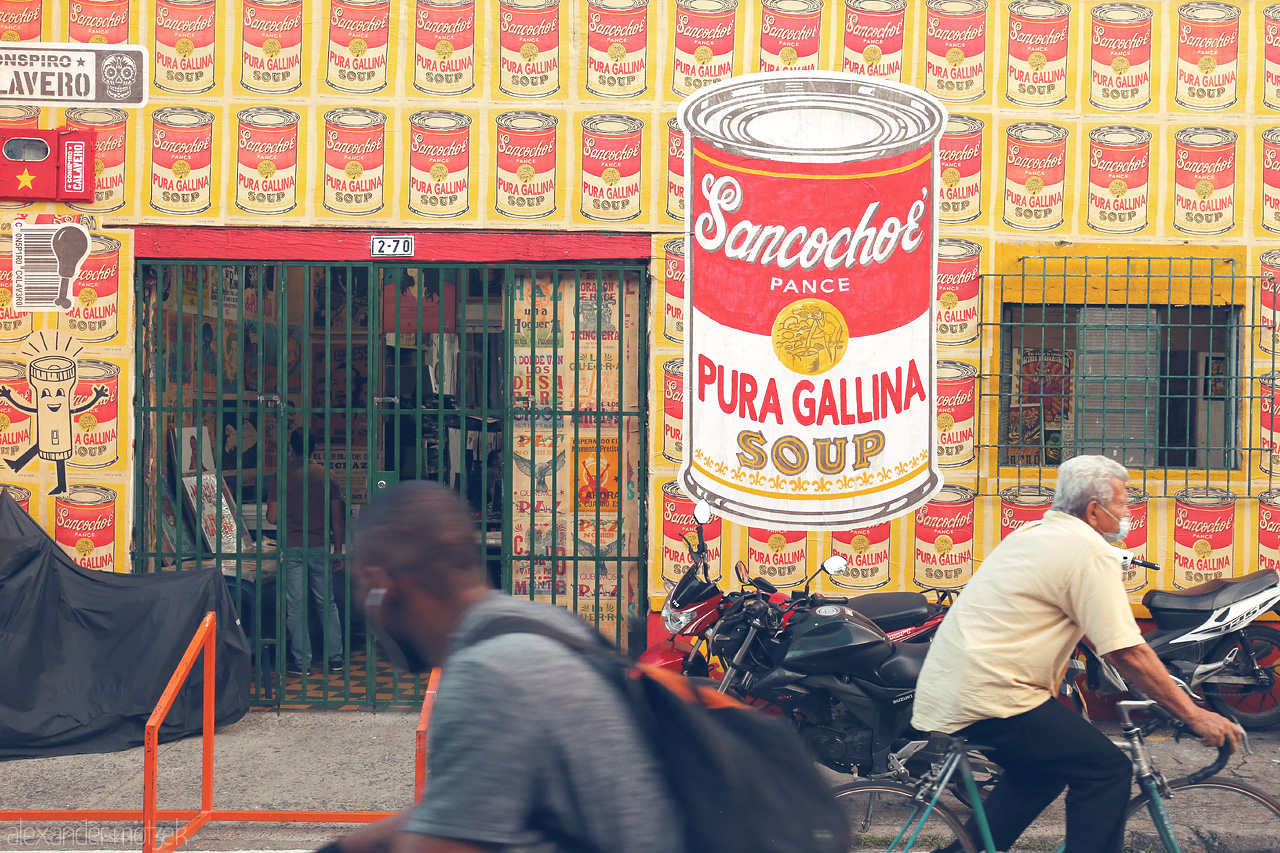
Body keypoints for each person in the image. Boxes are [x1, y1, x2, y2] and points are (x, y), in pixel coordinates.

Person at [323, 480, 683, 853]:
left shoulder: (486, 676)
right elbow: (463, 807)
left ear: (383, 586)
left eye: (362, 588)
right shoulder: (543, 624)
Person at [914, 455, 1243, 853]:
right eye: (1122, 503)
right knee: (1106, 770)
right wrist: (1193, 714)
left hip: (959, 684)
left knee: (1042, 773)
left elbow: (1093, 630)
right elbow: (1128, 652)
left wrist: (1158, 688)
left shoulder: (1033, 533)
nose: (1127, 512)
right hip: (995, 695)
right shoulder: (1089, 552)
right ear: (1094, 510)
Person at [267, 428, 345, 675]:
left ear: (291, 447)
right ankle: (335, 659)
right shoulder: (328, 475)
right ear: (315, 448)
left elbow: (272, 517)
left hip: (292, 547)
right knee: (327, 603)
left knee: (296, 607)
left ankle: (303, 664)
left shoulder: (281, 475)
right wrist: (338, 550)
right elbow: (337, 518)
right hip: (320, 547)